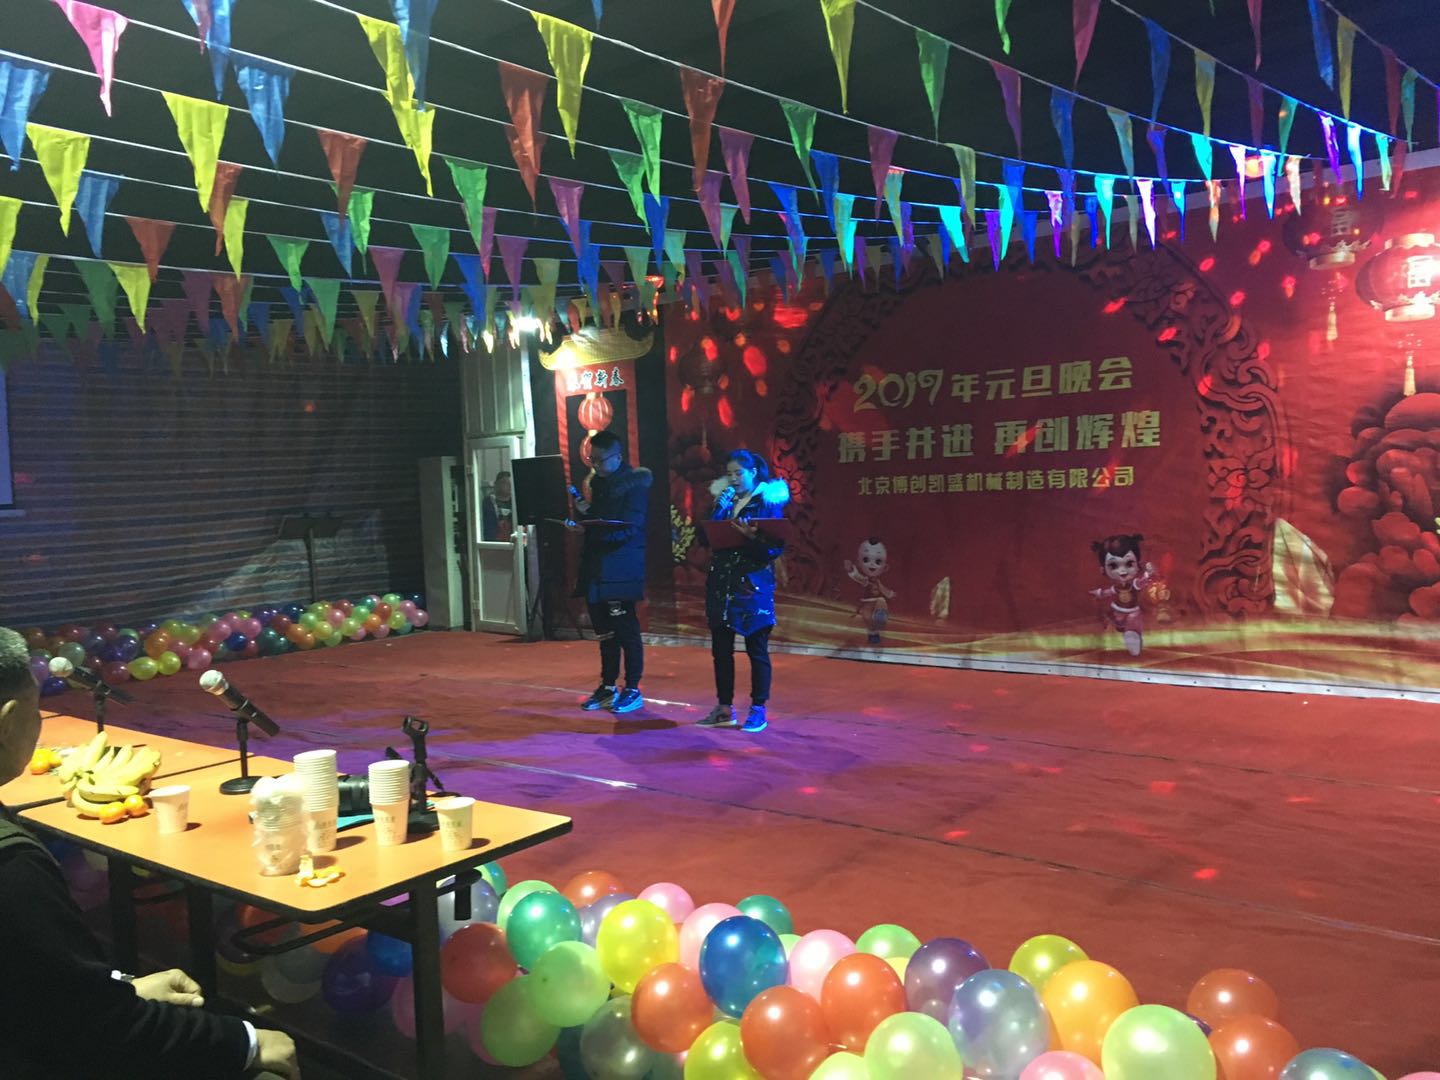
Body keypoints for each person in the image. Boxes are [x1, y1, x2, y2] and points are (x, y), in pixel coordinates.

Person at [0, 626, 301, 1080]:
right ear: (7, 723)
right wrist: (248, 1042)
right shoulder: (12, 866)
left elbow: (36, 980)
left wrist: (117, 986)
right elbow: (92, 1033)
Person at [698, 449, 790, 733]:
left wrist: (752, 537)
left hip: (751, 585)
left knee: (756, 650)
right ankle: (724, 708)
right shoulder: (725, 501)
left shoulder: (766, 503)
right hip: (722, 585)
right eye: (730, 474)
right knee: (721, 651)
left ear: (753, 472)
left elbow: (774, 549)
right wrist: (718, 510)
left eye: (739, 473)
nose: (734, 479)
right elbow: (705, 538)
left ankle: (758, 709)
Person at [571, 430, 651, 714]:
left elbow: (631, 527)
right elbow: (598, 518)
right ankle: (607, 686)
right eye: (591, 460)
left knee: (626, 630)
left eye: (600, 460)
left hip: (621, 567)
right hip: (596, 566)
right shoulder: (599, 483)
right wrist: (584, 521)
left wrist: (595, 530)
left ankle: (632, 688)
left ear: (617, 457)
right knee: (604, 632)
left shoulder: (635, 485)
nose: (595, 466)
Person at [482, 470, 515, 542]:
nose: (507, 485)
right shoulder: (488, 502)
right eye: (503, 482)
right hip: (494, 543)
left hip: (513, 543)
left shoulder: (515, 503)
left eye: (509, 483)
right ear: (496, 484)